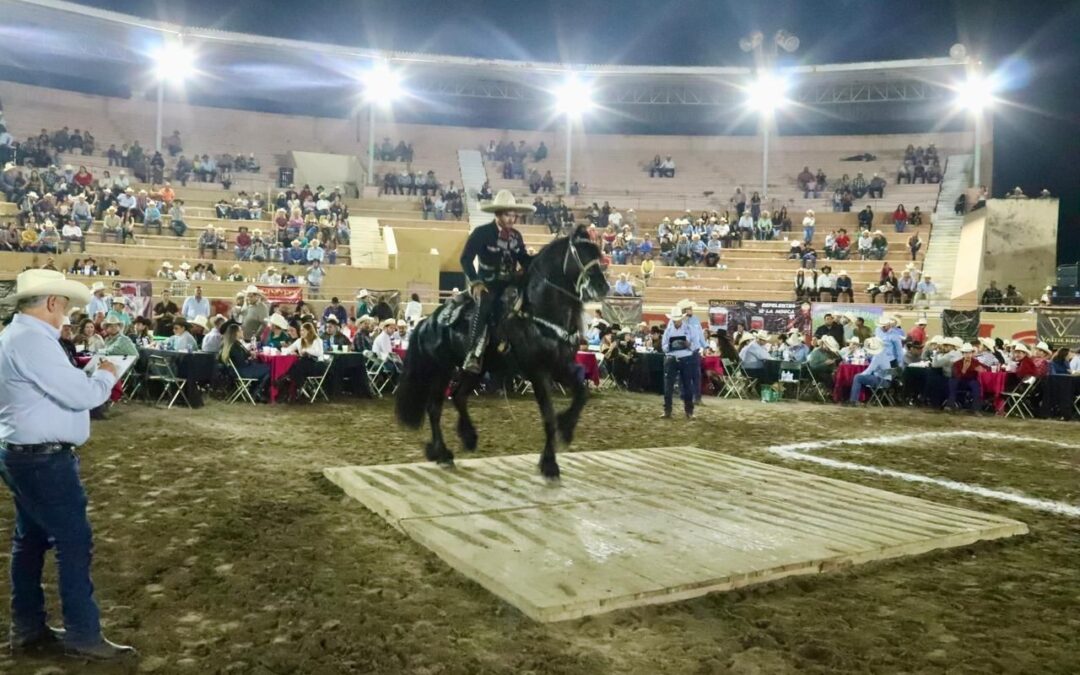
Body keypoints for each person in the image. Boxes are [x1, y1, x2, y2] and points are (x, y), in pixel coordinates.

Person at [0, 269, 136, 660]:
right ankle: (82, 632)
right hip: (43, 459)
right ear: (53, 303)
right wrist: (107, 372)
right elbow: (81, 397)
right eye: (67, 306)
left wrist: (90, 375)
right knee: (73, 543)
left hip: (23, 453)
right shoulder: (32, 340)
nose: (68, 314)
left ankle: (28, 627)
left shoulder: (18, 336)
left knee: (30, 542)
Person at [459, 190, 534, 374]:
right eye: (508, 214)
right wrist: (475, 282)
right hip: (487, 284)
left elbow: (523, 259)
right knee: (484, 303)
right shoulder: (481, 233)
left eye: (514, 215)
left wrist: (537, 260)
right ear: (498, 214)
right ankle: (472, 354)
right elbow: (465, 259)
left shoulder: (517, 236)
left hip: (510, 284)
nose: (512, 219)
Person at [660, 307, 702, 420]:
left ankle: (689, 411)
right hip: (672, 358)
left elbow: (696, 345)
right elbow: (663, 347)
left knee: (687, 386)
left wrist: (689, 345)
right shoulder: (668, 331)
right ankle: (667, 410)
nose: (676, 321)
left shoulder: (690, 329)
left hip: (686, 358)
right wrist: (669, 346)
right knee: (668, 386)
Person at [275, 322, 328, 401]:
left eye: (303, 330)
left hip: (317, 364)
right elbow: (289, 349)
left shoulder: (317, 340)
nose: (301, 332)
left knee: (300, 363)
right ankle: (292, 384)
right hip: (304, 366)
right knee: (299, 364)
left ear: (309, 331)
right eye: (300, 330)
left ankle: (286, 380)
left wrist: (306, 351)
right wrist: (283, 351)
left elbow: (319, 352)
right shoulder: (300, 341)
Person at [848, 337, 892, 404]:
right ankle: (856, 399)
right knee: (859, 377)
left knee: (857, 377)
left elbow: (869, 370)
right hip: (885, 380)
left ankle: (854, 400)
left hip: (882, 381)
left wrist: (860, 374)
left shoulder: (877, 356)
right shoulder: (882, 353)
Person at [947, 344, 984, 411]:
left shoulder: (975, 362)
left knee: (975, 384)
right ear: (962, 354)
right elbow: (956, 375)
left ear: (972, 353)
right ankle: (950, 405)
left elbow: (986, 368)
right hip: (959, 381)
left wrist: (983, 370)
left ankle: (976, 409)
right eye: (966, 353)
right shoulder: (957, 363)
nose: (967, 355)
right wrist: (964, 370)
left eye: (969, 353)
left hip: (970, 381)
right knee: (952, 381)